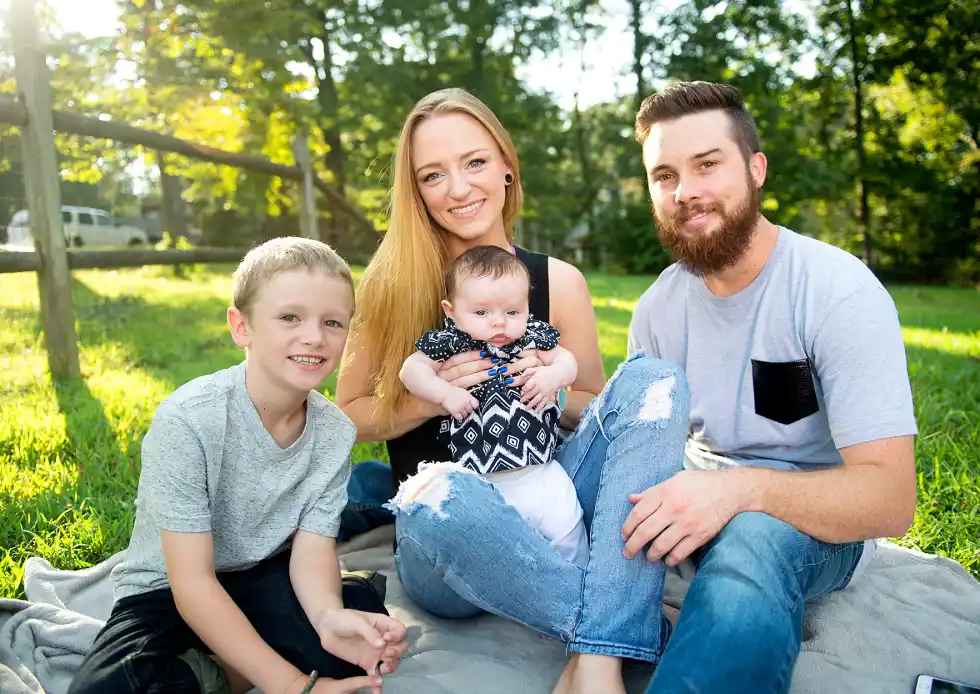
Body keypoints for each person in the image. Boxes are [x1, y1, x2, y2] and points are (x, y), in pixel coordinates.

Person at [335, 87, 690, 694]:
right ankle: (626, 627)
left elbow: (600, 412)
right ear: (415, 190)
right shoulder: (389, 285)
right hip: (449, 534)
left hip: (549, 494)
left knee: (655, 380)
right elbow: (347, 415)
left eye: (474, 162)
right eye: (432, 175)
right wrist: (432, 396)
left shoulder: (560, 281)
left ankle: (596, 651)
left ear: (505, 165)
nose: (459, 188)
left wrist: (546, 387)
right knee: (439, 492)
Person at [621, 81, 918, 693]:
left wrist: (737, 493)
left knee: (753, 536)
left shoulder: (837, 291)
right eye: (665, 175)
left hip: (814, 523)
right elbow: (642, 456)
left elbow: (891, 499)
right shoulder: (656, 309)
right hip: (692, 495)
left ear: (755, 169)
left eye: (708, 165)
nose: (686, 191)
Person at [69, 238, 408, 694]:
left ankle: (220, 666)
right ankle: (236, 665)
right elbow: (192, 583)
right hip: (168, 589)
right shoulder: (189, 419)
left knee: (357, 644)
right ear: (241, 326)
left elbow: (309, 553)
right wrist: (292, 685)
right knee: (108, 687)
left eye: (333, 322)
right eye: (290, 317)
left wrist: (328, 615)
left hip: (265, 572)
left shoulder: (334, 432)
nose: (314, 336)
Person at [399, 244, 588, 566]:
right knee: (504, 555)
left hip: (543, 470)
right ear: (451, 310)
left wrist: (554, 376)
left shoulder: (532, 336)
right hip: (483, 481)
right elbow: (411, 371)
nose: (498, 323)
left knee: (569, 535)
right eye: (482, 312)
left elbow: (567, 361)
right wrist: (444, 394)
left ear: (527, 307)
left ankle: (582, 583)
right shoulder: (451, 342)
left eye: (512, 312)